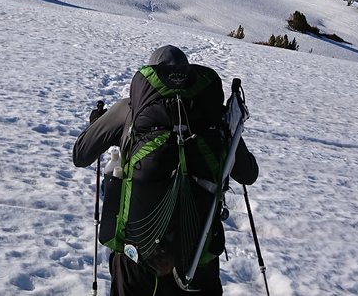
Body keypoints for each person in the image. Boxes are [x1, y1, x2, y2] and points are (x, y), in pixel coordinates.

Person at [73, 45, 258, 296]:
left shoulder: (129, 110)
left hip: (138, 255)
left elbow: (81, 154)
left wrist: (97, 124)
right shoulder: (212, 117)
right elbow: (248, 174)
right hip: (198, 253)